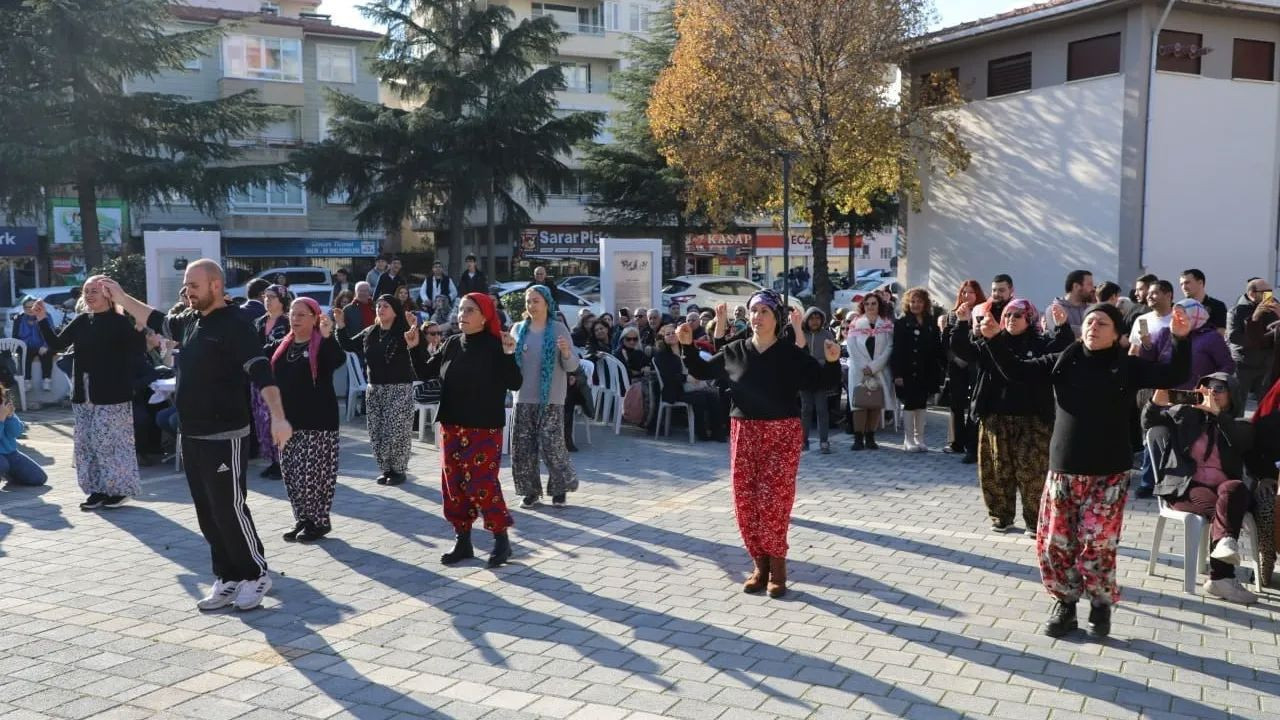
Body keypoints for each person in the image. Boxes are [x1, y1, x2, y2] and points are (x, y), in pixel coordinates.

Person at [977, 301, 1191, 638]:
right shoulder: (1064, 361)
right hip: (1064, 469)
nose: (1093, 327)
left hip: (1109, 472)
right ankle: (1065, 606)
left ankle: (1100, 605)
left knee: (1098, 543)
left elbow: (1172, 375)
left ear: (1118, 333)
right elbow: (1017, 370)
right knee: (1055, 544)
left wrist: (1180, 339)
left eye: (1103, 323)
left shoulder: (1128, 367)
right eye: (1090, 322)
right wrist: (994, 339)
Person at [111, 261, 290, 612]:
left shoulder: (236, 325)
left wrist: (279, 418)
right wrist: (120, 295)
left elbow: (261, 372)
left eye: (194, 285)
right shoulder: (191, 320)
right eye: (186, 285)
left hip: (226, 434)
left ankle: (256, 574)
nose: (188, 291)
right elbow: (155, 317)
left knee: (229, 508)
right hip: (192, 434)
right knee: (207, 512)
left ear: (216, 285)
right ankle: (228, 576)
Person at [680, 290, 841, 598]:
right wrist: (687, 346)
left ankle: (778, 569)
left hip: (782, 432)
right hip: (744, 431)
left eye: (764, 311)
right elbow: (701, 370)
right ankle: (759, 566)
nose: (757, 317)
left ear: (776, 318)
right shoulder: (735, 351)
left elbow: (822, 382)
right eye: (754, 311)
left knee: (774, 502)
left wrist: (833, 363)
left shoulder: (790, 354)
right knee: (746, 503)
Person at [412, 293, 521, 567]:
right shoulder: (451, 344)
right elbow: (425, 372)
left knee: (481, 483)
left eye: (470, 310)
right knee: (454, 485)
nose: (463, 315)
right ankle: (463, 541)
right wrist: (415, 348)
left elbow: (515, 382)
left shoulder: (497, 345)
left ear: (485, 316)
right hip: (452, 424)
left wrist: (509, 355)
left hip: (483, 427)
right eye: (461, 310)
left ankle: (500, 538)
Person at [955, 300, 1073, 532]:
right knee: (997, 472)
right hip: (995, 418)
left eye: (1017, 315)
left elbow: (1063, 350)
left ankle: (1034, 521)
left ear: (1028, 319)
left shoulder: (1041, 343)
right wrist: (960, 323)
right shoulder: (990, 341)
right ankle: (1001, 517)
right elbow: (963, 351)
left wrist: (1062, 326)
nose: (1011, 319)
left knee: (1033, 473)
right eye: (1007, 315)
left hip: (1033, 420)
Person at [1143, 374, 1258, 604]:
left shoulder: (1240, 426)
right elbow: (1149, 424)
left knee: (1234, 489)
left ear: (1232, 396)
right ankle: (1222, 576)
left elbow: (1242, 442)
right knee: (1223, 507)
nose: (1211, 391)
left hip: (1224, 491)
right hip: (1186, 487)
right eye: (1206, 387)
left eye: (1219, 388)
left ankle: (1223, 558)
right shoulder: (1183, 414)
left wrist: (1217, 415)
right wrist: (1154, 402)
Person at [34, 277, 146, 510]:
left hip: (112, 393)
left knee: (109, 443)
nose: (89, 295)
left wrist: (140, 327)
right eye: (86, 291)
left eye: (94, 291)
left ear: (107, 293)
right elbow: (57, 343)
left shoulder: (119, 321)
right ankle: (97, 489)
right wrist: (42, 319)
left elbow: (137, 351)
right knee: (87, 444)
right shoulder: (81, 320)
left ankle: (119, 490)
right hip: (83, 394)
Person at [270, 298, 346, 543]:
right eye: (293, 313)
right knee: (291, 474)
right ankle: (303, 518)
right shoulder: (283, 346)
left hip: (318, 421)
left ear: (315, 318)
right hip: (289, 422)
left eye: (302, 314)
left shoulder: (321, 344)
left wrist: (327, 336)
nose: (295, 318)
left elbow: (337, 360)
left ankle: (319, 522)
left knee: (312, 476)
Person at [334, 294, 416, 486]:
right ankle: (386, 469)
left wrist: (414, 327)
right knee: (377, 431)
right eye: (378, 306)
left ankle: (398, 470)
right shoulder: (371, 331)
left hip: (399, 387)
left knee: (395, 431)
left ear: (395, 311)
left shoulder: (404, 331)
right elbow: (348, 344)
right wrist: (340, 324)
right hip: (375, 387)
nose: (380, 309)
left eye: (385, 306)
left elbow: (417, 348)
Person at [510, 285, 579, 508]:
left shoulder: (559, 329)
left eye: (536, 301)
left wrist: (566, 352)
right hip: (523, 397)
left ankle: (560, 488)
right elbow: (509, 364)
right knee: (523, 448)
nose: (531, 305)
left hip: (551, 398)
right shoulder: (518, 329)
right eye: (528, 301)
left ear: (547, 303)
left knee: (552, 445)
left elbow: (573, 365)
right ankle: (529, 491)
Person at [891, 287, 944, 452]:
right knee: (909, 404)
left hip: (926, 370)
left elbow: (936, 348)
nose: (915, 304)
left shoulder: (931, 322)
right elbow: (897, 350)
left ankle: (920, 438)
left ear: (925, 303)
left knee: (921, 404)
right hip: (907, 371)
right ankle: (908, 440)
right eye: (912, 301)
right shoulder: (901, 323)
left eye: (919, 301)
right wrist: (897, 374)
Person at [1140, 299, 1234, 390]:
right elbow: (1149, 362)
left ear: (1194, 315)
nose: (1178, 318)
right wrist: (1147, 345)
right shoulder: (1165, 333)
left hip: (1196, 396)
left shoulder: (1211, 337)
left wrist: (1211, 386)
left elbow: (1227, 365)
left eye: (1182, 314)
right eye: (1175, 314)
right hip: (1164, 394)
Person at [652, 322, 723, 442]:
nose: (671, 335)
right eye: (667, 334)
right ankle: (701, 433)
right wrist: (687, 378)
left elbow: (697, 364)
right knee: (700, 398)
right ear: (663, 338)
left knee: (714, 395)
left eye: (673, 333)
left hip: (692, 386)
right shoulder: (662, 355)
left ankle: (717, 433)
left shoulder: (685, 349)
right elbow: (669, 377)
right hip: (675, 390)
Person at [939, 280, 985, 460]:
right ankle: (956, 441)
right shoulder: (953, 314)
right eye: (964, 292)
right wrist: (955, 358)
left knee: (975, 403)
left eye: (971, 292)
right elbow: (946, 341)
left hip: (975, 364)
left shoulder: (983, 312)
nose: (967, 296)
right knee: (956, 404)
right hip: (956, 364)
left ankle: (972, 442)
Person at [845, 293, 895, 451]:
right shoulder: (855, 323)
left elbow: (889, 347)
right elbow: (851, 346)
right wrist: (864, 367)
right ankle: (858, 439)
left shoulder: (886, 324)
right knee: (859, 404)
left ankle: (871, 437)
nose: (871, 307)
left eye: (874, 303)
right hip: (859, 371)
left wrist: (874, 367)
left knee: (875, 404)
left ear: (879, 305)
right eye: (867, 304)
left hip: (879, 370)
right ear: (863, 306)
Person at [254, 285, 291, 480]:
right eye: (265, 296)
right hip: (260, 377)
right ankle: (273, 461)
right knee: (263, 420)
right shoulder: (259, 322)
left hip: (279, 379)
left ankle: (283, 461)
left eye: (272, 297)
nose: (267, 300)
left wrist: (262, 350)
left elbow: (284, 346)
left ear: (282, 300)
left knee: (278, 417)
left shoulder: (287, 322)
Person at [1228, 278, 1277, 404]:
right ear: (1252, 293)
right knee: (1237, 403)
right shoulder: (1237, 310)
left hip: (1266, 364)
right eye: (1265, 292)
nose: (1269, 295)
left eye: (1270, 291)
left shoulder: (1273, 307)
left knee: (1267, 405)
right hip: (1243, 364)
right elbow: (1234, 337)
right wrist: (1255, 317)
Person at [799, 308, 835, 453]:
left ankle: (824, 441)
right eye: (811, 318)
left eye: (817, 318)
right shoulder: (802, 335)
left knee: (822, 409)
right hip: (805, 377)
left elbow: (833, 354)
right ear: (807, 320)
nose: (814, 321)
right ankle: (803, 440)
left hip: (820, 377)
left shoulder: (827, 335)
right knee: (806, 409)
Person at [0, 386, 47, 487]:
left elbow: (17, 432)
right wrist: (1, 420)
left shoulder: (3, 406)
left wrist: (10, 416)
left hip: (10, 453)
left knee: (39, 478)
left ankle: (10, 475)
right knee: (2, 465)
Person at [13, 299, 53, 390]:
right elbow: (15, 336)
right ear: (23, 308)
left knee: (47, 353)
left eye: (32, 306)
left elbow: (51, 334)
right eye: (27, 307)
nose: (30, 309)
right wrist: (22, 346)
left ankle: (46, 380)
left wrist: (45, 346)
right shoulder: (19, 318)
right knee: (25, 353)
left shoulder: (45, 316)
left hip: (41, 344)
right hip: (25, 346)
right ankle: (27, 381)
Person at [1046, 270, 1094, 337]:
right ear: (1076, 286)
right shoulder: (1053, 309)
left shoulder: (1091, 310)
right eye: (1090, 284)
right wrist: (1089, 329)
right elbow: (1058, 333)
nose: (1093, 288)